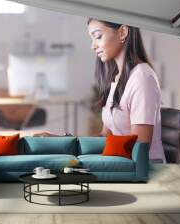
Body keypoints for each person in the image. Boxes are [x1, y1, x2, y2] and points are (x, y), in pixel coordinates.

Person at [34, 18, 165, 163]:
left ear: (122, 32)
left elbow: (138, 148)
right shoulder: (117, 78)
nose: (93, 46)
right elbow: (104, 138)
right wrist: (61, 141)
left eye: (98, 36)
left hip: (142, 170)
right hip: (121, 162)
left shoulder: (142, 78)